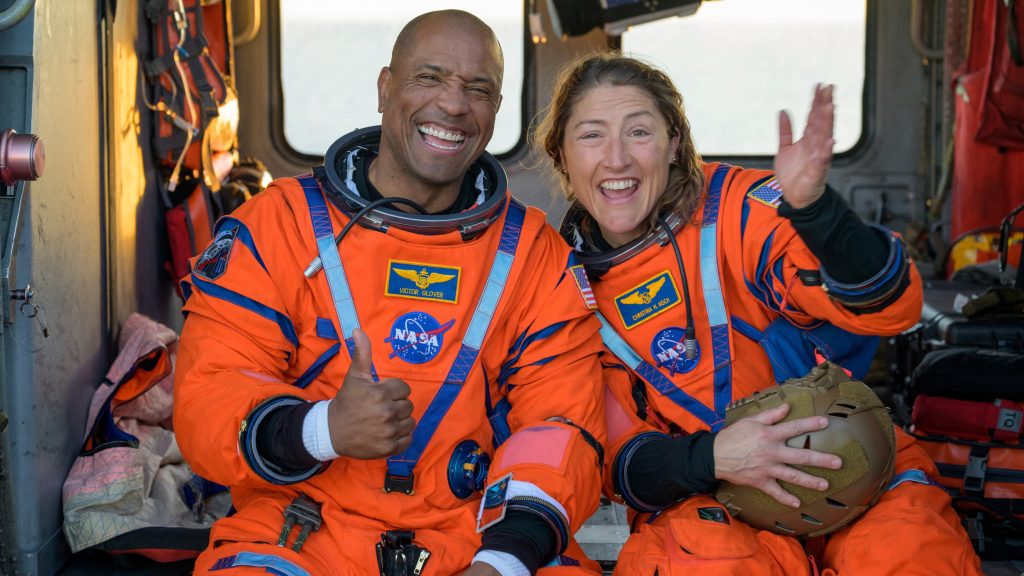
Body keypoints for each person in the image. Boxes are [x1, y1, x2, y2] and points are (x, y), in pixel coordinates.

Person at [173, 11, 607, 576]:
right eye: (430, 77)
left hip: (473, 536)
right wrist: (322, 429)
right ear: (385, 87)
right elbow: (209, 395)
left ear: (496, 110)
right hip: (302, 532)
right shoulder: (279, 225)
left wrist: (503, 560)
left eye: (478, 89)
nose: (453, 104)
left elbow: (561, 427)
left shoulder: (533, 255)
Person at [535, 52, 982, 575]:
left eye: (638, 132)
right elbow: (618, 462)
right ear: (561, 154)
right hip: (711, 497)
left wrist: (816, 212)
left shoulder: (737, 211)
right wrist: (714, 458)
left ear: (674, 144)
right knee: (705, 563)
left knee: (911, 552)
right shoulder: (560, 288)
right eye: (591, 135)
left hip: (848, 456)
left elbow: (890, 308)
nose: (617, 160)